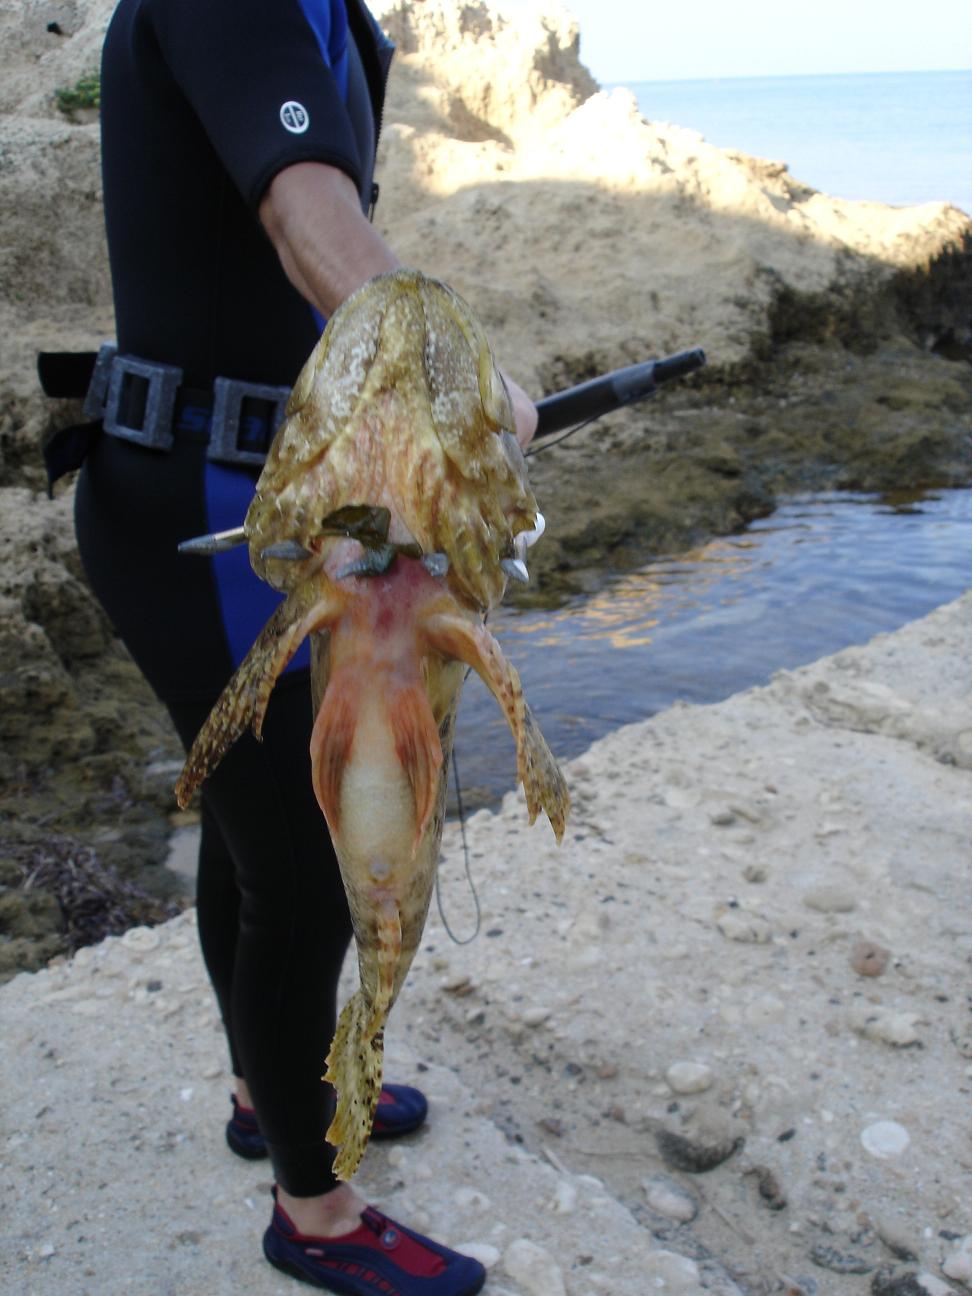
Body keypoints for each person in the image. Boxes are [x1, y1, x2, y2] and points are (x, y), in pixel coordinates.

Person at [63, 1, 537, 1292]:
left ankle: (265, 1090)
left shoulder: (341, 19)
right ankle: (312, 1211)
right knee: (313, 864)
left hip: (272, 493)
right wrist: (437, 360)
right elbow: (298, 208)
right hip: (207, 508)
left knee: (251, 831)